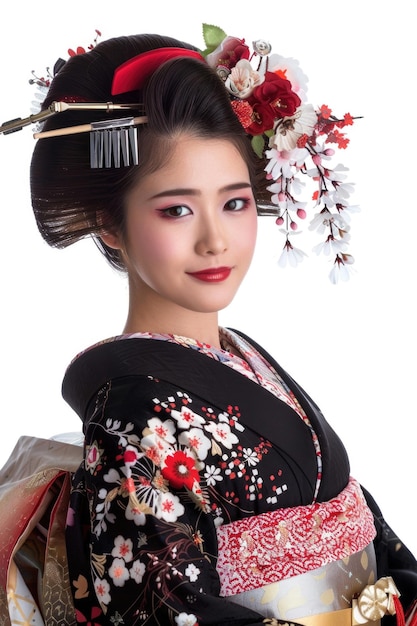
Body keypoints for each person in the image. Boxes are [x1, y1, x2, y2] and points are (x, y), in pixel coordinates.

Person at [1, 25, 416, 626]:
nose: (216, 238)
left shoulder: (243, 356)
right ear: (109, 224)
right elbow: (157, 609)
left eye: (235, 202)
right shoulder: (132, 416)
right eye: (176, 209)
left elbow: (359, 517)